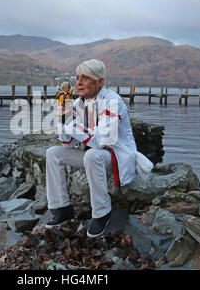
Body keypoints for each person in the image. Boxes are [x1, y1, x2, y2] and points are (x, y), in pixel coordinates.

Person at [45, 59, 153, 238]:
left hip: (118, 157)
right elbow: (67, 142)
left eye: (85, 78)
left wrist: (71, 125)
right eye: (77, 77)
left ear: (99, 82)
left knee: (92, 155)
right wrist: (62, 119)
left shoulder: (112, 101)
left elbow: (101, 141)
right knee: (53, 153)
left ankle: (102, 212)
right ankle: (62, 207)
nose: (78, 83)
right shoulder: (79, 103)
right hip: (94, 155)